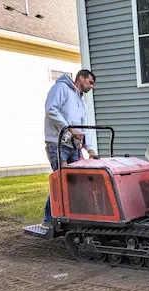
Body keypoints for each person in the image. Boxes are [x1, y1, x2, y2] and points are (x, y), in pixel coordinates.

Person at [41, 69, 97, 229]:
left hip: (74, 147)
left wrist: (91, 149)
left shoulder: (81, 101)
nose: (91, 86)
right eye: (90, 82)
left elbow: (83, 128)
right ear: (81, 78)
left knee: (77, 182)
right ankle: (49, 219)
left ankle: (72, 218)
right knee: (60, 181)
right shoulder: (61, 89)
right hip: (57, 144)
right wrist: (68, 129)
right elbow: (51, 110)